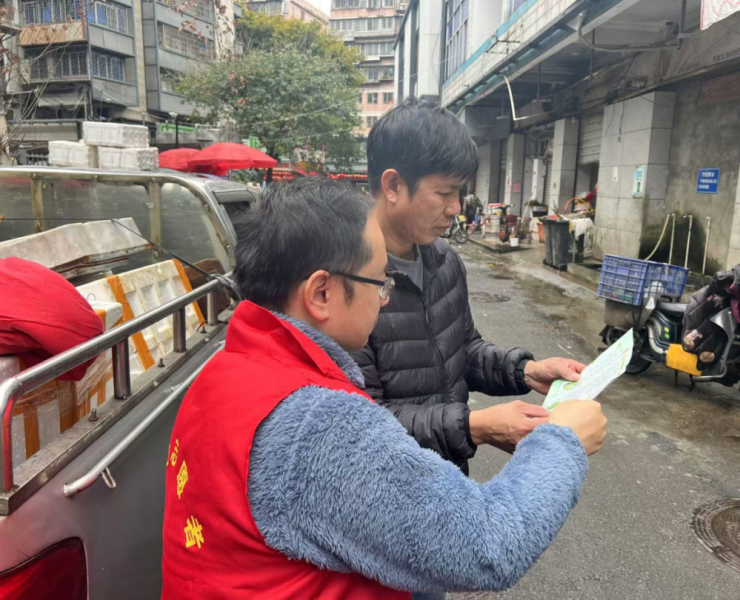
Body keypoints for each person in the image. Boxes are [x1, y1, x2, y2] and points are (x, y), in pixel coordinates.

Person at [161, 178, 606, 599]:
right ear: (321, 293)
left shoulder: (224, 371)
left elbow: (463, 346)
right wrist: (561, 441)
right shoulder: (318, 426)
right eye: (379, 282)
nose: (386, 297)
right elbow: (488, 544)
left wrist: (521, 370)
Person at [353, 98, 589, 472]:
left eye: (459, 193)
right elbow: (361, 423)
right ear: (394, 185)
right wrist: (475, 427)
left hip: (450, 477)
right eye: (444, 193)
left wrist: (527, 370)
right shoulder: (349, 281)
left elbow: (463, 350)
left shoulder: (443, 260)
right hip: (390, 488)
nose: (455, 208)